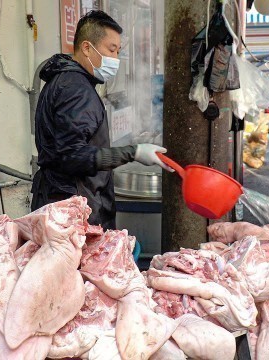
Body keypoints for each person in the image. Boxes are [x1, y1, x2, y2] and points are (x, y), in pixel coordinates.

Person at [31, 10, 171, 230]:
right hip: (72, 214)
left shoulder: (65, 80)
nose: (115, 59)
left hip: (63, 204)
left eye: (118, 52)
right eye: (111, 50)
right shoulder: (75, 89)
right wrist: (132, 152)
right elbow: (73, 156)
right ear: (87, 47)